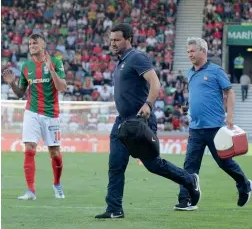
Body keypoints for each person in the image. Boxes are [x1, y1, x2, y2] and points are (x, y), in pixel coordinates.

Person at [95, 23, 201, 219]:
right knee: (116, 165)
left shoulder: (136, 57)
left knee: (153, 165)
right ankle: (114, 209)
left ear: (128, 39)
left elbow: (155, 82)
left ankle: (189, 180)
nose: (113, 44)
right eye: (111, 40)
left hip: (139, 122)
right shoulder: (120, 62)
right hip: (121, 122)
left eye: (117, 40)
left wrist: (149, 105)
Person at [174, 37, 252, 211]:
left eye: (192, 51)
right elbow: (196, 94)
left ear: (203, 51)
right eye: (187, 52)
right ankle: (185, 199)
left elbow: (230, 93)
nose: (189, 54)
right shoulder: (190, 73)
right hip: (195, 128)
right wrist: (188, 107)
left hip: (215, 128)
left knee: (225, 163)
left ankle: (245, 185)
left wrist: (230, 116)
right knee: (189, 166)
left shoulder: (216, 71)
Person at [2, 34, 67, 200]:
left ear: (44, 44)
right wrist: (11, 83)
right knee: (29, 148)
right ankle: (30, 191)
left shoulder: (56, 62)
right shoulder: (26, 66)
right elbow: (20, 94)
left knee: (54, 153)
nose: (32, 45)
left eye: (35, 42)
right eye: (30, 43)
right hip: (31, 112)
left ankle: (57, 183)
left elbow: (62, 87)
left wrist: (51, 69)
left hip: (51, 114)